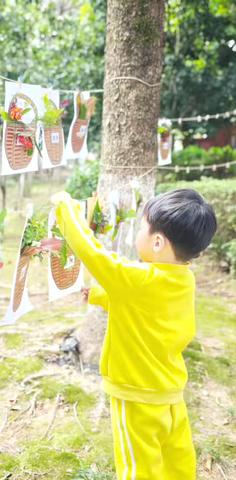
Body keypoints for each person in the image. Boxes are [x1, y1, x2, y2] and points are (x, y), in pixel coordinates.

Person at [51, 188, 217, 480]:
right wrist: (101, 295)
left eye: (141, 227)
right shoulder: (183, 279)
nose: (137, 233)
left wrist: (66, 209)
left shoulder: (138, 279)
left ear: (157, 241)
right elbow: (145, 305)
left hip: (136, 396)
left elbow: (93, 254)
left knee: (138, 469)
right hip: (170, 394)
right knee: (176, 462)